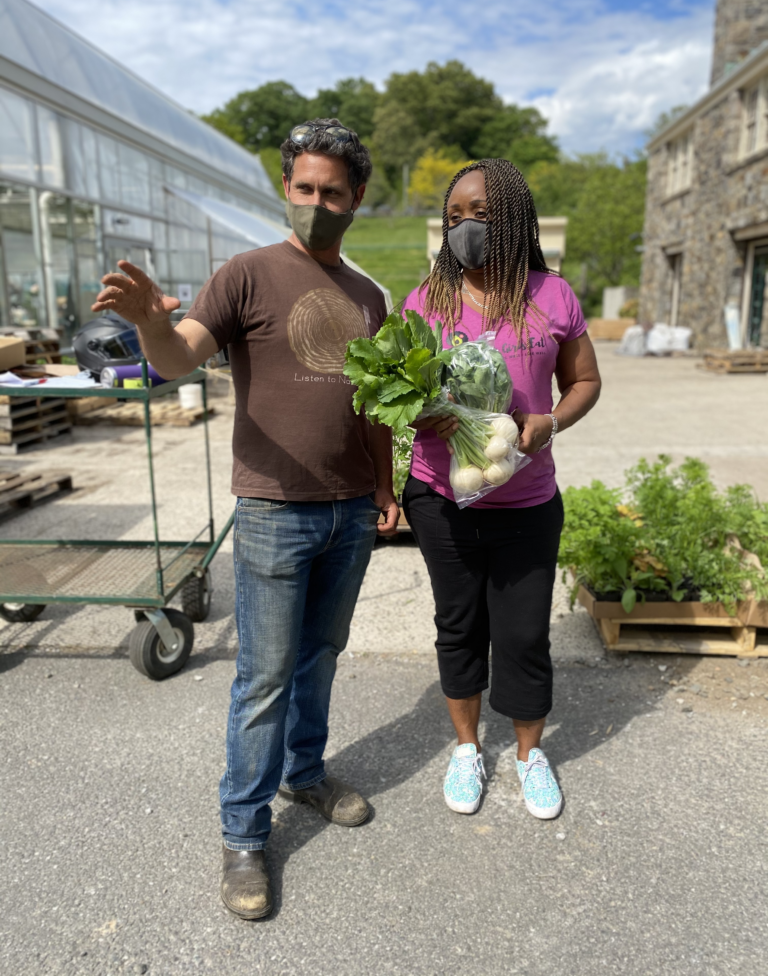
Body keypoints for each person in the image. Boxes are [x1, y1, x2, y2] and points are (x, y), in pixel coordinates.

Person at [92, 119, 399, 920]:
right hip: (271, 510)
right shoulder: (247, 275)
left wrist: (385, 487)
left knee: (321, 657)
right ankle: (242, 835)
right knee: (263, 677)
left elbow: (377, 406)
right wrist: (151, 323)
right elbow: (181, 355)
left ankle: (305, 774)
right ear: (287, 190)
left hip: (349, 513)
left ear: (356, 200)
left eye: (333, 192)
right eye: (304, 188)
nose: (317, 203)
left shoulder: (368, 296)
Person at [401, 159, 601, 820]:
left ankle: (527, 755)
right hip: (440, 498)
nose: (464, 228)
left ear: (513, 216)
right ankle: (466, 748)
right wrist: (422, 413)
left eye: (479, 214)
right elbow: (405, 395)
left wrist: (551, 420)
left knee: (523, 635)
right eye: (454, 217)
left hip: (527, 500)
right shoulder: (427, 300)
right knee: (457, 627)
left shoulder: (554, 295)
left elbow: (585, 383)